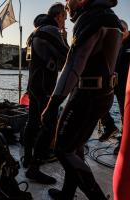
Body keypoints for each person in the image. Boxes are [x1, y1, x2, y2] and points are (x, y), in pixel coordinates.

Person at [41, 0, 122, 199]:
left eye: (69, 0)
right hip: (104, 94)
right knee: (76, 146)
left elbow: (73, 66)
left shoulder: (90, 19)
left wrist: (52, 105)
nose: (67, 4)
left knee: (62, 149)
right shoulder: (113, 20)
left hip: (86, 96)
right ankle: (67, 193)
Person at [23, 3, 69, 184]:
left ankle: (27, 157)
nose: (65, 22)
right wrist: (64, 38)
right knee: (50, 125)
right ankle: (34, 167)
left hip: (34, 84)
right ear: (58, 16)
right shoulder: (51, 30)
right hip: (44, 86)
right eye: (64, 18)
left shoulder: (36, 31)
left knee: (32, 121)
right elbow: (68, 56)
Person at [99, 20, 130, 154]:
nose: (119, 34)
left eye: (121, 31)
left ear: (126, 29)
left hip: (127, 87)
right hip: (112, 84)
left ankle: (124, 143)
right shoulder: (114, 43)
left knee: (125, 116)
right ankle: (109, 126)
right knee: (98, 104)